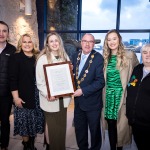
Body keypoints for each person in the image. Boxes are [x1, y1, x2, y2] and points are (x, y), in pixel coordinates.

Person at [102, 29, 139, 150]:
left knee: (121, 127)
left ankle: (119, 148)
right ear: (106, 42)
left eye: (114, 38)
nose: (112, 42)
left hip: (122, 96)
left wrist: (132, 88)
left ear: (119, 39)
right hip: (108, 96)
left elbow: (137, 74)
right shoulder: (105, 58)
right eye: (109, 39)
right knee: (111, 125)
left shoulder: (129, 56)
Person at [36, 32, 71, 150]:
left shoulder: (65, 56)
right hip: (50, 100)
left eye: (56, 40)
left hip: (63, 101)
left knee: (62, 130)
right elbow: (40, 82)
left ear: (60, 42)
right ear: (47, 44)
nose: (54, 43)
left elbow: (68, 78)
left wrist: (70, 71)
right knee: (53, 130)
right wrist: (47, 94)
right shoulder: (42, 59)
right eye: (51, 41)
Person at [9, 33, 44, 150]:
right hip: (22, 96)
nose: (27, 44)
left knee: (34, 122)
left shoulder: (38, 57)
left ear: (33, 44)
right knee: (24, 124)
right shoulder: (15, 57)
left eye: (29, 42)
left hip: (37, 96)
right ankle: (26, 146)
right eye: (24, 42)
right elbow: (12, 79)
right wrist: (16, 97)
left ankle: (31, 145)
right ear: (20, 43)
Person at [72, 33, 105, 150]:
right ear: (81, 43)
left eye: (90, 42)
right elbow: (72, 76)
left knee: (94, 132)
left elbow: (100, 82)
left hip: (92, 104)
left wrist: (83, 91)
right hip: (78, 103)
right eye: (85, 41)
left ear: (94, 44)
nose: (87, 44)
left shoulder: (98, 58)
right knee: (80, 131)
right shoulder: (75, 55)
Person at [126, 44, 150, 150]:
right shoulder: (137, 69)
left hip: (147, 122)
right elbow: (131, 87)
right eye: (145, 53)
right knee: (139, 145)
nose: (148, 55)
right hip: (135, 120)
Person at [0, 21, 16, 150]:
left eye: (4, 31)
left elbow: (16, 72)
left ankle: (4, 146)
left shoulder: (13, 50)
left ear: (8, 34)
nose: (1, 33)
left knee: (5, 121)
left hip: (6, 93)